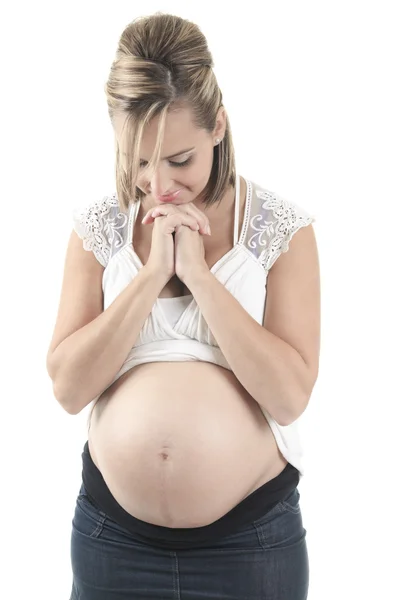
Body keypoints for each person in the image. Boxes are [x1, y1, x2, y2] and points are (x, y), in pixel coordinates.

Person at [46, 11, 320, 600]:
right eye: (139, 162)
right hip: (112, 544)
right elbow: (68, 389)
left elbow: (289, 397)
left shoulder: (284, 231)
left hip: (250, 548)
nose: (160, 187)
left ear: (218, 126)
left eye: (179, 160)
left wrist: (198, 274)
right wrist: (151, 275)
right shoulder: (98, 229)